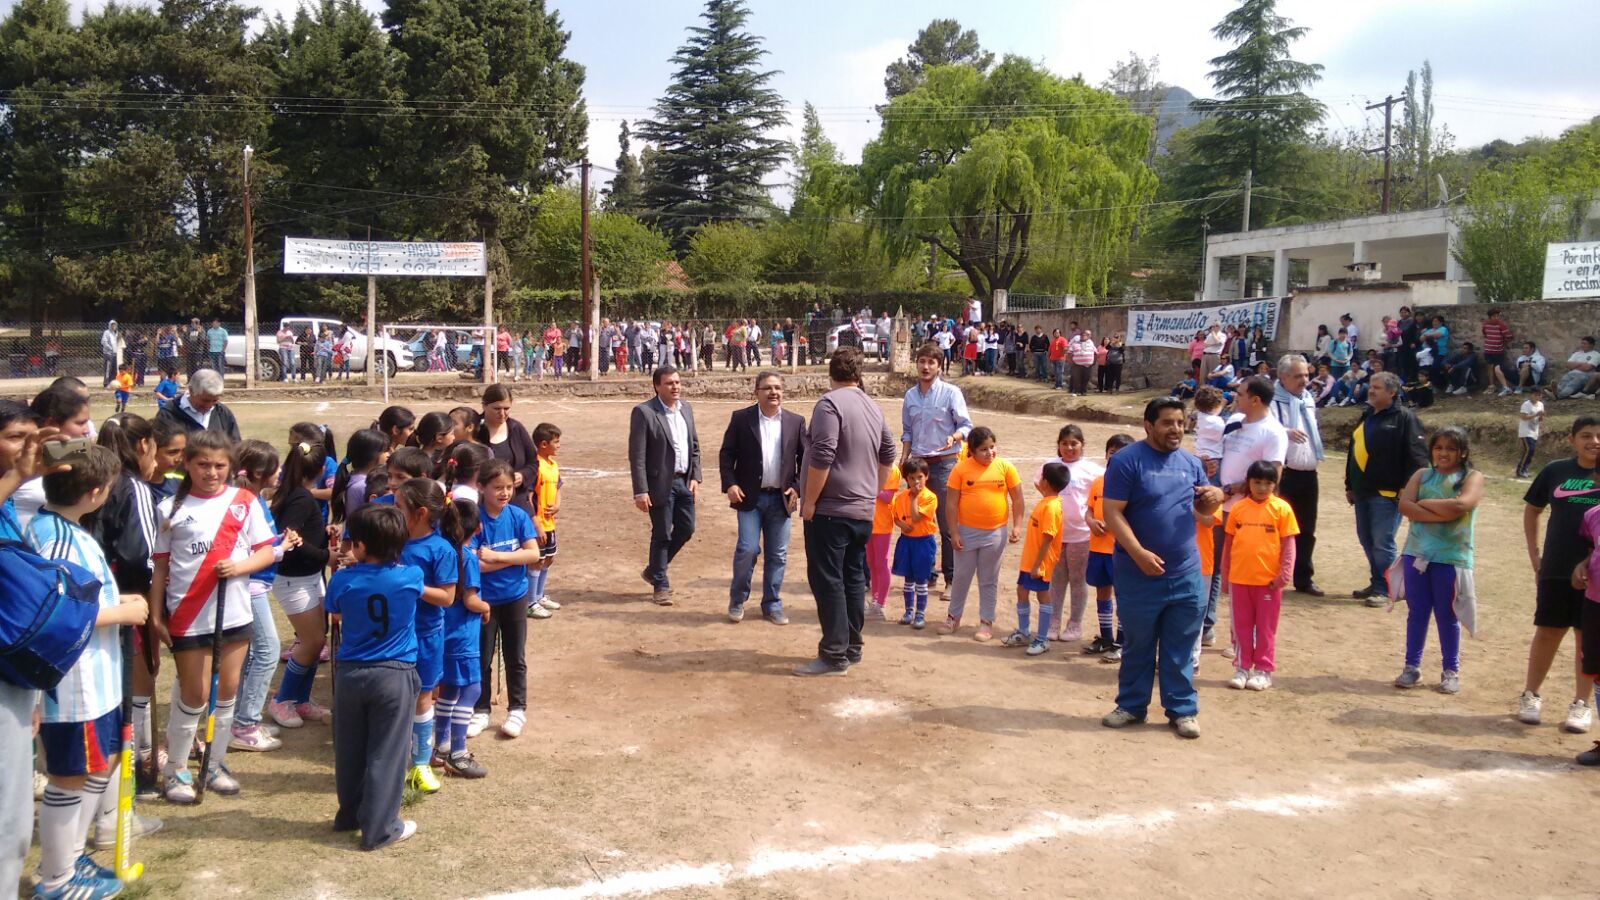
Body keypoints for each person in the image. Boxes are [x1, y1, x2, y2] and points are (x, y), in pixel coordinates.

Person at [27, 445, 151, 900]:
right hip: (73, 686)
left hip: (98, 681)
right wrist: (120, 613)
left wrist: (118, 602)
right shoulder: (55, 539)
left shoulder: (66, 527)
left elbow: (82, 597)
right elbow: (55, 615)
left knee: (104, 763)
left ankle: (71, 856)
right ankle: (56, 880)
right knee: (70, 777)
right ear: (96, 492)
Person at [150, 430, 277, 803]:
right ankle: (175, 769)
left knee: (227, 692)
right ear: (187, 464)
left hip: (234, 612)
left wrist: (239, 567)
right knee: (195, 693)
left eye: (220, 465)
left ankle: (215, 763)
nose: (211, 472)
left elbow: (266, 552)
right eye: (203, 464)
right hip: (188, 614)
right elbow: (160, 568)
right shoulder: (169, 508)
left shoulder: (244, 501)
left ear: (230, 466)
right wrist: (156, 616)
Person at [1100, 397, 1225, 739]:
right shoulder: (1127, 461)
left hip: (1185, 574)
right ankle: (1131, 706)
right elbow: (1112, 512)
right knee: (1138, 643)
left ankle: (1182, 710)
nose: (1176, 429)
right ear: (1148, 425)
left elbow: (1202, 513)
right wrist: (1138, 553)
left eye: (1181, 423)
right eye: (1168, 422)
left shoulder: (1191, 463)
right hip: (1137, 574)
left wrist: (1214, 498)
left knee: (1180, 645)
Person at [325, 504, 421, 850]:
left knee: (350, 748)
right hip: (394, 672)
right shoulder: (410, 576)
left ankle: (350, 814)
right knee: (387, 752)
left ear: (362, 545)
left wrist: (348, 566)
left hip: (351, 672)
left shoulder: (342, 579)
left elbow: (334, 610)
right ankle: (380, 828)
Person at [795, 348, 896, 676]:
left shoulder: (829, 404)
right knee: (853, 578)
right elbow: (888, 452)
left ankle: (834, 653)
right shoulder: (872, 405)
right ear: (858, 373)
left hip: (831, 509)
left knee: (828, 580)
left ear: (831, 373)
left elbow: (823, 453)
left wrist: (810, 500)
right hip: (861, 510)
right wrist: (872, 490)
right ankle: (852, 646)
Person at [1517, 416, 1600, 732]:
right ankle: (1531, 694)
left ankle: (1581, 704)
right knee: (1548, 630)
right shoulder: (1555, 471)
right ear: (1572, 440)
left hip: (1596, 575)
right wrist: (1535, 555)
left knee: (1586, 638)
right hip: (1556, 566)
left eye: (1599, 436)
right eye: (1586, 436)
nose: (1594, 442)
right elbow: (1533, 509)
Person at [1393, 427, 1483, 694]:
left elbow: (1462, 505)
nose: (1444, 453)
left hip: (1451, 557)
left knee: (1447, 615)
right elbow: (1404, 505)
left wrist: (1423, 506)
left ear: (1463, 452)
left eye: (1451, 448)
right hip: (1417, 554)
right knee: (1417, 612)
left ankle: (1450, 671)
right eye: (1438, 447)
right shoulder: (1421, 475)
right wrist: (1444, 512)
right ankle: (1411, 667)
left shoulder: (1472, 477)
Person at [717, 372, 806, 624]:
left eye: (778, 387)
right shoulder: (741, 419)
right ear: (756, 391)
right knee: (747, 549)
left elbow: (806, 459)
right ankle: (737, 599)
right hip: (749, 498)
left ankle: (772, 603)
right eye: (767, 388)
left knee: (778, 554)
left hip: (781, 498)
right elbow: (726, 454)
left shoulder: (796, 422)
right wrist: (730, 484)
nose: (773, 392)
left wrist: (797, 488)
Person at [394, 479, 461, 795]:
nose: (393, 512)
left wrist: (413, 586)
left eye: (398, 507)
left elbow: (447, 597)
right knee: (395, 697)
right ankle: (394, 759)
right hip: (393, 636)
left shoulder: (440, 549)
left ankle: (420, 763)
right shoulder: (392, 541)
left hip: (425, 637)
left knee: (422, 697)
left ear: (420, 513)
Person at [467, 459, 541, 739]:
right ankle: (481, 710)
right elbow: (473, 564)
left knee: (515, 656)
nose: (505, 493)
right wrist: (514, 558)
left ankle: (517, 709)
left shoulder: (518, 516)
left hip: (515, 597)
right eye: (498, 487)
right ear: (481, 487)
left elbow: (533, 554)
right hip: (483, 600)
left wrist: (497, 557)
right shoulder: (473, 520)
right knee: (482, 657)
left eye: (509, 487)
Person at [1345, 372, 1429, 608]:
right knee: (1367, 539)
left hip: (1388, 494)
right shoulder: (1367, 415)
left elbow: (1418, 457)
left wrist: (1407, 488)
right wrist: (1349, 485)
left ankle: (1386, 589)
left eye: (1377, 387)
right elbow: (1354, 452)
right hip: (1362, 492)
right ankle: (1377, 582)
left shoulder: (1405, 418)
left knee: (1382, 542)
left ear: (1392, 392)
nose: (1371, 390)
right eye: (1370, 386)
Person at [267, 438, 333, 732]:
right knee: (311, 642)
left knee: (317, 641)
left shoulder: (294, 494)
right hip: (294, 580)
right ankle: (282, 699)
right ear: (321, 469)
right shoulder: (302, 498)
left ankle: (301, 699)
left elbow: (301, 533)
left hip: (307, 577)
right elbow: (289, 538)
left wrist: (324, 534)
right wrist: (325, 555)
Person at [937, 427, 1024, 641]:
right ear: (972, 451)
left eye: (992, 447)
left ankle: (986, 621)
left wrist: (1017, 526)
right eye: (983, 449)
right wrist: (954, 532)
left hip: (995, 534)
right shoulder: (960, 469)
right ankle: (953, 617)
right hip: (966, 532)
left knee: (988, 579)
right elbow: (951, 504)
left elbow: (1018, 499)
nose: (989, 452)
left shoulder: (1005, 467)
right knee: (961, 576)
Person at [1220, 460, 1299, 692]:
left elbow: (1288, 546)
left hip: (1268, 583)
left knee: (1265, 628)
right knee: (1240, 627)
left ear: (1275, 484)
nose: (1262, 488)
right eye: (1257, 482)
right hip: (1239, 580)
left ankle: (1263, 670)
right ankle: (1242, 667)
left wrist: (1284, 575)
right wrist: (1225, 577)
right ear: (1248, 483)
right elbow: (1229, 545)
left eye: (1268, 483)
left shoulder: (1282, 509)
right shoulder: (1238, 508)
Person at [901, 342, 973, 591]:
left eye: (931, 362)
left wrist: (954, 437)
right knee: (920, 522)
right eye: (922, 361)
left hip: (945, 464)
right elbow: (907, 432)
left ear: (939, 366)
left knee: (946, 523)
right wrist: (904, 458)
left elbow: (966, 426)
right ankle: (927, 573)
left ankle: (951, 580)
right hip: (918, 467)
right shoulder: (910, 396)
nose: (926, 366)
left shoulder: (951, 393)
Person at [630, 367, 701, 606]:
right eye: (669, 383)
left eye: (677, 382)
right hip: (659, 483)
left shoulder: (686, 409)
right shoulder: (644, 412)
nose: (675, 387)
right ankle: (661, 585)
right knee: (662, 533)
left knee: (687, 528)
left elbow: (694, 446)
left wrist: (695, 476)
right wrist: (641, 490)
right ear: (657, 386)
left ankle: (654, 570)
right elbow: (637, 455)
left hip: (684, 481)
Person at [1038, 424, 1105, 644]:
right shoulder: (1049, 466)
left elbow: (1102, 494)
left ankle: (1075, 623)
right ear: (1058, 445)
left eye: (1074, 443)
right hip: (1055, 534)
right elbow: (1041, 486)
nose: (1069, 448)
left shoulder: (1092, 470)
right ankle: (1053, 621)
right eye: (1064, 443)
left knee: (1078, 581)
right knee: (1056, 580)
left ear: (1082, 445)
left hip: (1082, 535)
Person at [1269, 355, 1326, 597]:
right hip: (1284, 474)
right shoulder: (1271, 400)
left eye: (1306, 375)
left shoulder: (1308, 400)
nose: (1305, 380)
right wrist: (1285, 431)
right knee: (1277, 529)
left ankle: (1303, 578)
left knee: (1307, 529)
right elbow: (1264, 428)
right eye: (1298, 376)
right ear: (1283, 378)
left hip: (1308, 474)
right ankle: (1272, 575)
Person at [1004, 462, 1068, 656]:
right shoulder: (1047, 501)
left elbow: (1048, 538)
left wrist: (1038, 565)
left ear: (1046, 482)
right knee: (1022, 590)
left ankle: (1042, 639)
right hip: (1030, 559)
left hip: (1039, 562)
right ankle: (1024, 632)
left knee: (1042, 595)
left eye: (1041, 477)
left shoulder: (1051, 507)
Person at [1084, 434, 1136, 659]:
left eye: (1122, 453)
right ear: (1106, 454)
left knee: (1123, 595)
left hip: (1120, 550)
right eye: (1112, 452)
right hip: (1097, 548)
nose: (1116, 457)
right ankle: (1106, 637)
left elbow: (1135, 517)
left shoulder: (1133, 484)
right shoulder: (1098, 481)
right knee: (1102, 592)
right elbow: (1088, 510)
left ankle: (1122, 642)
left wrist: (1114, 525)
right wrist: (1091, 522)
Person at [890, 458, 938, 629]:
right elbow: (896, 517)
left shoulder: (930, 497)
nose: (916, 482)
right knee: (908, 578)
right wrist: (902, 525)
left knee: (921, 578)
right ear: (906, 479)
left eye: (919, 477)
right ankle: (908, 611)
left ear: (926, 476)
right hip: (906, 541)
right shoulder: (901, 497)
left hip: (923, 542)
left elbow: (917, 517)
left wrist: (914, 499)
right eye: (911, 478)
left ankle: (920, 613)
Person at [527, 422, 563, 618]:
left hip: (550, 523)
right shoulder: (536, 467)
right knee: (537, 560)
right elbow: (528, 497)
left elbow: (558, 487)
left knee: (549, 558)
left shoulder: (553, 465)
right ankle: (530, 602)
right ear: (543, 444)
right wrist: (535, 523)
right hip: (538, 524)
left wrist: (557, 504)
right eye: (556, 442)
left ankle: (539, 596)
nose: (559, 446)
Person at [153, 368, 241, 442]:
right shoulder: (168, 414)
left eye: (214, 400)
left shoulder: (222, 413)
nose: (209, 406)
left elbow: (235, 445)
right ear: (191, 391)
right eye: (205, 401)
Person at [1482, 308, 1515, 395]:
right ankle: (1491, 385)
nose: (1496, 318)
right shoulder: (1486, 325)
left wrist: (1503, 343)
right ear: (1490, 317)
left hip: (1498, 350)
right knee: (1489, 367)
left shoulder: (1501, 325)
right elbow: (1485, 334)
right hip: (1488, 349)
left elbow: (1508, 336)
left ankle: (1503, 386)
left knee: (1498, 368)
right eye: (1494, 316)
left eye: (1497, 316)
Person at [1516, 386, 1547, 479]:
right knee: (1530, 449)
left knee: (1531, 451)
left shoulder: (1541, 404)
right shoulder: (1526, 405)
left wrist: (1541, 416)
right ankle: (1520, 470)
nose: (1538, 397)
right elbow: (1523, 417)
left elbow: (1540, 419)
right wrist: (1536, 414)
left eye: (1539, 395)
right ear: (1531, 395)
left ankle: (1525, 469)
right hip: (1525, 431)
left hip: (1534, 431)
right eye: (1536, 395)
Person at [100, 319, 123, 388]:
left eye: (115, 325)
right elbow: (103, 342)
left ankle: (112, 382)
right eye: (112, 325)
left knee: (114, 369)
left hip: (115, 354)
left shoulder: (116, 333)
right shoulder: (106, 332)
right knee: (108, 369)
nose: (114, 327)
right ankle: (106, 383)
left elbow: (119, 342)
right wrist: (110, 348)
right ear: (110, 326)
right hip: (108, 354)